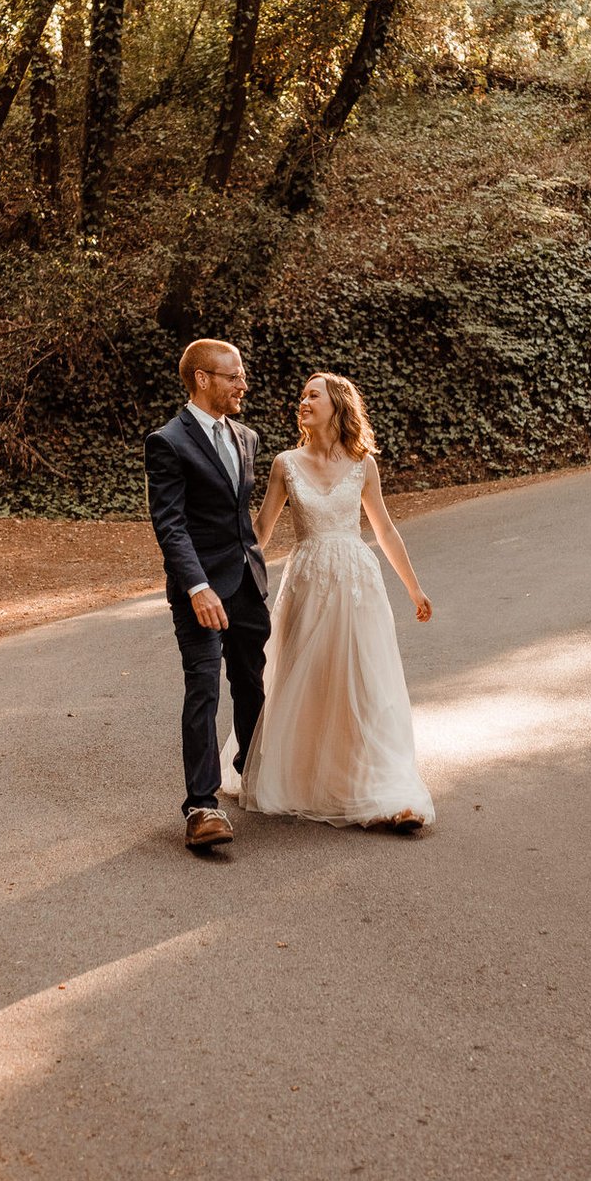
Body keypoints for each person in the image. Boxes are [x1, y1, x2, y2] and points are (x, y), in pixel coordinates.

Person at [238, 370, 436, 832]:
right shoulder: (284, 464)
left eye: (313, 394)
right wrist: (232, 578)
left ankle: (392, 794)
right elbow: (261, 531)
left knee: (365, 681)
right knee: (308, 677)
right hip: (307, 582)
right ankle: (309, 778)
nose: (303, 400)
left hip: (356, 583)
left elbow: (383, 529)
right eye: (301, 394)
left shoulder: (363, 463)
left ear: (337, 405)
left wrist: (414, 588)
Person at [144, 338, 270, 851]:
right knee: (204, 690)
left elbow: (243, 519)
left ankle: (255, 773)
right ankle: (201, 807)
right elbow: (170, 526)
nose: (243, 383)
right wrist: (197, 586)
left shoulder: (247, 438)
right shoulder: (168, 442)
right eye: (233, 375)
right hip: (200, 590)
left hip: (247, 583)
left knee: (251, 685)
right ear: (202, 379)